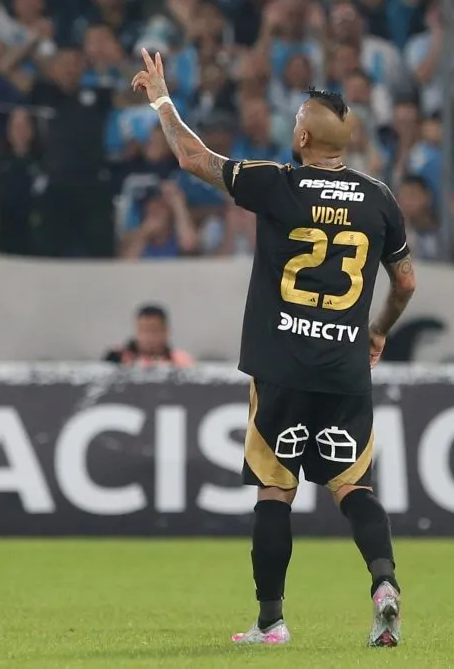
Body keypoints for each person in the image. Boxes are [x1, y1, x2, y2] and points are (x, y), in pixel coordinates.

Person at [133, 49, 415, 648]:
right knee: (354, 485)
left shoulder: (277, 183)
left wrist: (161, 98)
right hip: (345, 367)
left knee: (275, 488)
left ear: (305, 135)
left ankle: (271, 621)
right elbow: (407, 281)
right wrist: (379, 329)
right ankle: (383, 583)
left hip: (281, 366)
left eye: (295, 121)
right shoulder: (379, 197)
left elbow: (191, 157)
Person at [103, 304, 195, 367]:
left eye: (154, 331)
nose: (148, 337)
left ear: (166, 331)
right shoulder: (117, 359)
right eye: (143, 331)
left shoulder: (180, 361)